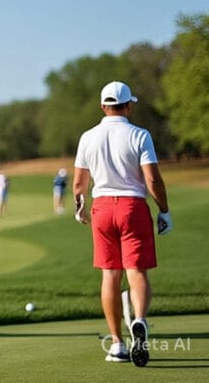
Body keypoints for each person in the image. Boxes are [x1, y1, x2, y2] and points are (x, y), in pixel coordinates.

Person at [73, 80, 171, 367]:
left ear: (104, 106)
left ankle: (117, 343)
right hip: (132, 207)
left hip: (102, 208)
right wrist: (164, 210)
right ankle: (139, 320)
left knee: (109, 275)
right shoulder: (140, 135)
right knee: (136, 271)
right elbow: (152, 179)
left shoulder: (88, 136)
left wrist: (81, 209)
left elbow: (79, 184)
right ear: (128, 106)